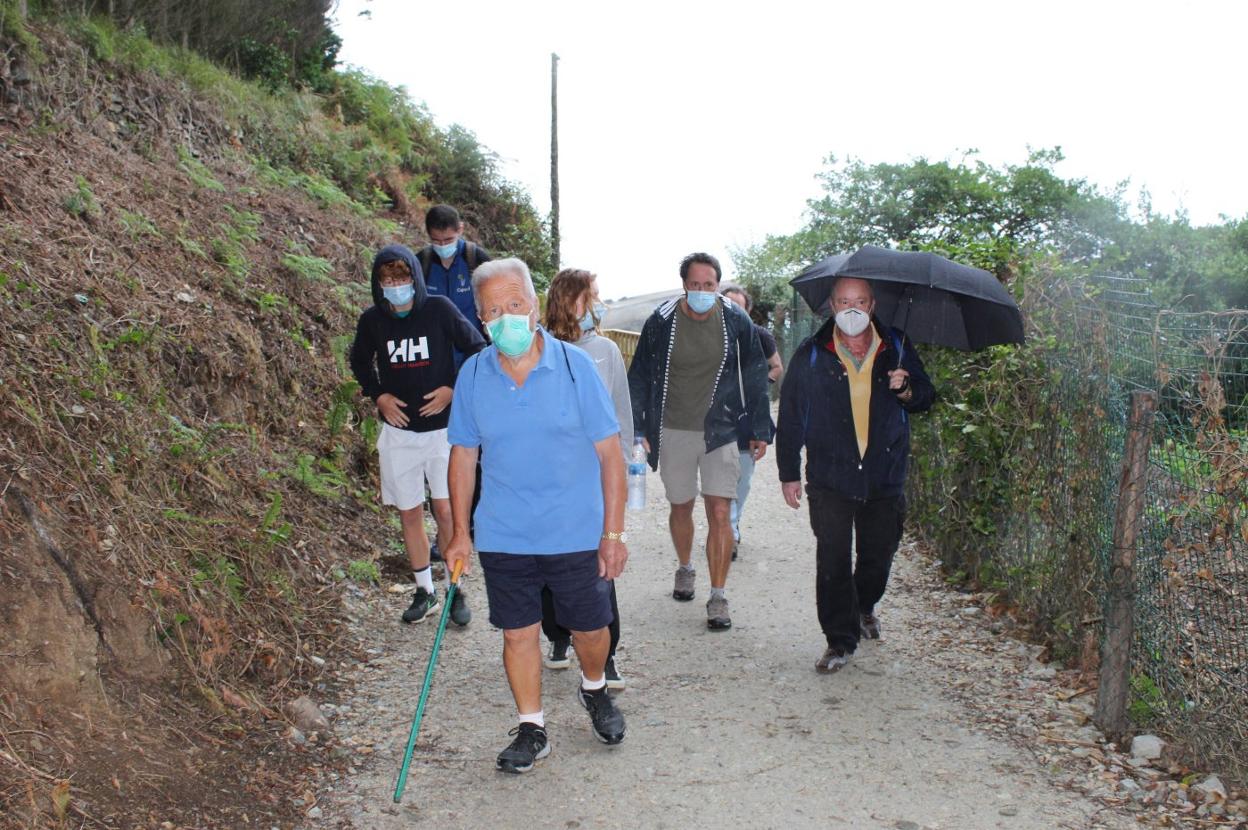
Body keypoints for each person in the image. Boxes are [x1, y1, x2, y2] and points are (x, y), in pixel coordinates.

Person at [444, 258, 629, 774]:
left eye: (515, 304)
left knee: (590, 629)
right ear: (480, 318)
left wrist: (613, 533)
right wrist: (458, 532)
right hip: (505, 531)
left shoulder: (575, 367)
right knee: (518, 633)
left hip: (575, 529)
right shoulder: (473, 374)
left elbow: (610, 455)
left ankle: (595, 687)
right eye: (493, 310)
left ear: (534, 306)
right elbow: (463, 456)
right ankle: (532, 726)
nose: (506, 317)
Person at [775, 277, 934, 674]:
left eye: (860, 301)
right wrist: (788, 472)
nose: (852, 309)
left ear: (872, 305)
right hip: (830, 476)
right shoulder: (813, 353)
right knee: (832, 558)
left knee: (878, 555)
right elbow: (791, 414)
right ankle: (839, 640)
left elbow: (925, 398)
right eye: (844, 300)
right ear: (831, 305)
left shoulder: (896, 346)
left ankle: (864, 605)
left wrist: (905, 389)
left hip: (884, 474)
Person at [626, 253, 770, 630]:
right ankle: (685, 566)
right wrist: (639, 429)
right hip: (673, 428)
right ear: (684, 285)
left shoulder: (736, 320)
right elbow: (639, 375)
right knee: (681, 506)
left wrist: (760, 427)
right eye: (695, 284)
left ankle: (718, 595)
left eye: (709, 285)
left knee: (720, 511)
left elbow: (755, 372)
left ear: (718, 285)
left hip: (721, 429)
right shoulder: (662, 321)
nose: (703, 291)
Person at [348, 244, 486, 626]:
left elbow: (476, 347)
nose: (396, 285)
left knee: (446, 510)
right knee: (409, 512)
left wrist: (452, 389)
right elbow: (359, 361)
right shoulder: (373, 321)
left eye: (402, 276)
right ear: (378, 283)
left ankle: (455, 587)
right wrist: (379, 395)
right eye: (387, 279)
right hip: (399, 434)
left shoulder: (439, 309)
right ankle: (425, 590)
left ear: (414, 276)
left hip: (443, 432)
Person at [539, 268, 632, 689]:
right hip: (547, 478)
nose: (598, 302)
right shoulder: (537, 347)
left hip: (593, 477)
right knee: (547, 561)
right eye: (592, 294)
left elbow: (620, 410)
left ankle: (605, 655)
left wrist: (625, 465)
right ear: (571, 299)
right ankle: (559, 636)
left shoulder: (607, 351)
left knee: (599, 563)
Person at [720, 285, 782, 559]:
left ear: (747, 311)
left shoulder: (760, 336)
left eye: (739, 306)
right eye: (727, 305)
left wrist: (759, 384)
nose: (732, 311)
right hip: (716, 420)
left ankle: (731, 527)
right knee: (720, 479)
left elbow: (777, 366)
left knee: (742, 481)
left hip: (748, 419)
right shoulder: (707, 336)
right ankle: (726, 531)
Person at [417, 204, 491, 337]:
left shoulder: (476, 258)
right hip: (435, 343)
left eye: (448, 239)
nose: (443, 245)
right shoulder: (422, 262)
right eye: (436, 241)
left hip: (475, 342)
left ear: (460, 229)